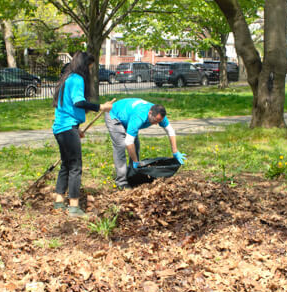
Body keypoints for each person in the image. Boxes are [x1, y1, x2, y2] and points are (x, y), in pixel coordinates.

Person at [52, 51, 114, 217]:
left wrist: (76, 128)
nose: (90, 70)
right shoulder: (77, 79)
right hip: (67, 128)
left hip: (61, 127)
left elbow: (64, 107)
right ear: (84, 66)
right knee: (75, 167)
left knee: (66, 164)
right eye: (90, 67)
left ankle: (59, 202)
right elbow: (78, 102)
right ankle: (73, 207)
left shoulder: (67, 78)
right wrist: (101, 107)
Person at [105, 98, 186, 190]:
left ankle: (133, 174)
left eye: (159, 121)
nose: (156, 124)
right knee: (121, 147)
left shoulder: (159, 114)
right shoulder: (139, 116)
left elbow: (170, 131)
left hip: (128, 115)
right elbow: (128, 142)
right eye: (155, 121)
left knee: (136, 146)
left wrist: (175, 151)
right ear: (150, 113)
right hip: (114, 115)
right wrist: (135, 161)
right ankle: (121, 182)